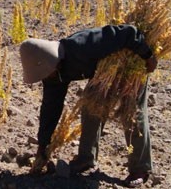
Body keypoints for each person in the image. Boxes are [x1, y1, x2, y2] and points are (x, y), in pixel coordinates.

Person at [18, 24, 157, 187]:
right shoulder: (54, 76)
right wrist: (43, 146)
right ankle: (86, 158)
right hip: (104, 72)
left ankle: (140, 168)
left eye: (44, 74)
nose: (45, 78)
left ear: (51, 63)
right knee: (90, 106)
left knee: (131, 113)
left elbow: (128, 33)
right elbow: (50, 109)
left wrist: (148, 56)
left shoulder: (82, 46)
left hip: (132, 62)